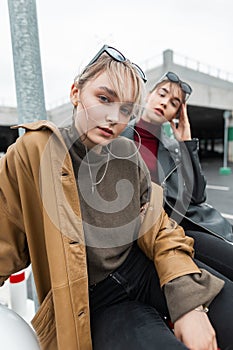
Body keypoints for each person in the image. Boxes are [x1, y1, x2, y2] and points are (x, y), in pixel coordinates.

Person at [0, 45, 233, 350]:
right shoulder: (34, 151)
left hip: (144, 266)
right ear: (75, 92)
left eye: (124, 109)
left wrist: (190, 304)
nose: (113, 117)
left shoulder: (128, 154)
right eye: (104, 99)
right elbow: (6, 240)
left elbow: (160, 227)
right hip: (93, 300)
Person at [122, 71, 233, 281]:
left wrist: (186, 144)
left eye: (173, 102)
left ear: (176, 114)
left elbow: (197, 197)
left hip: (177, 229)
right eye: (162, 94)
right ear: (148, 95)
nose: (164, 103)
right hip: (137, 241)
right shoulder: (117, 133)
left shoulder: (172, 148)